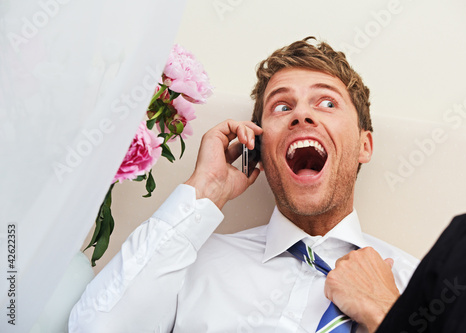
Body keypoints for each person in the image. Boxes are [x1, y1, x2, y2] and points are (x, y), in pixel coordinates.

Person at [69, 37, 419, 333]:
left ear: (364, 145)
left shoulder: (417, 283)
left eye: (327, 102)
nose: (301, 115)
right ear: (260, 150)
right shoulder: (188, 261)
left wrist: (386, 312)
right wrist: (205, 190)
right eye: (282, 106)